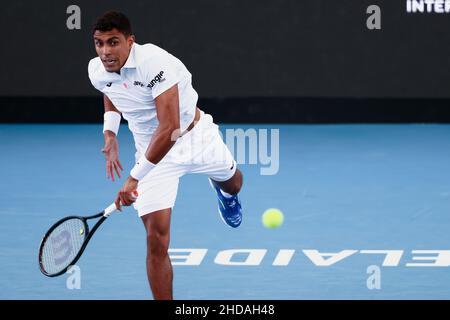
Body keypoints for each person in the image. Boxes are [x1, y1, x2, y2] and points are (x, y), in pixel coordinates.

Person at [88, 11, 243, 300]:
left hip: (193, 136)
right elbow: (108, 88)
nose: (105, 52)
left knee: (234, 183)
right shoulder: (97, 68)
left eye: (113, 43)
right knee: (156, 239)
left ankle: (226, 195)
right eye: (99, 44)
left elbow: (169, 127)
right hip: (151, 149)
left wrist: (134, 178)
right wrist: (110, 132)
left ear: (130, 42)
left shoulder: (155, 63)